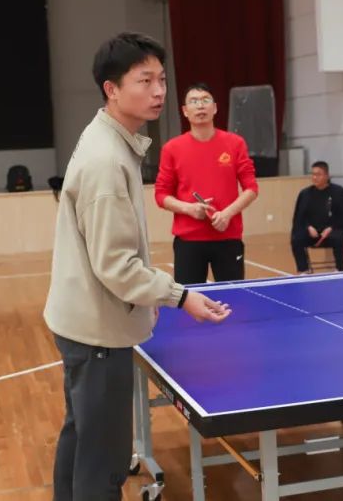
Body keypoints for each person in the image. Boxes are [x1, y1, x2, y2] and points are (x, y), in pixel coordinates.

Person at [43, 33, 232, 501]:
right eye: (144, 81)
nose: (159, 91)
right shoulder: (107, 160)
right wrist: (180, 296)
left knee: (81, 439)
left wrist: (149, 298)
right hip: (97, 333)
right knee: (104, 461)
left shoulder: (108, 137)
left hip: (84, 322)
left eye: (162, 80)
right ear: (112, 89)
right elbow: (117, 267)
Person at [155, 83, 259, 284]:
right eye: (193, 101)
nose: (200, 106)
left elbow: (251, 188)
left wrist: (227, 214)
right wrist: (189, 209)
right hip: (188, 242)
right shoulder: (171, 149)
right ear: (185, 111)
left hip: (228, 237)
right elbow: (161, 195)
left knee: (232, 297)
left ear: (215, 108)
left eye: (205, 100)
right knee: (190, 298)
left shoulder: (235, 143)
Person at [290, 161, 343, 273]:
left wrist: (331, 228)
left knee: (338, 237)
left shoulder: (339, 192)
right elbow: (299, 217)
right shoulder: (305, 194)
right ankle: (303, 270)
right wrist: (308, 227)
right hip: (312, 234)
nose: (315, 177)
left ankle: (339, 269)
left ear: (327, 176)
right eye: (313, 174)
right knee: (296, 239)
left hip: (332, 232)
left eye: (318, 174)